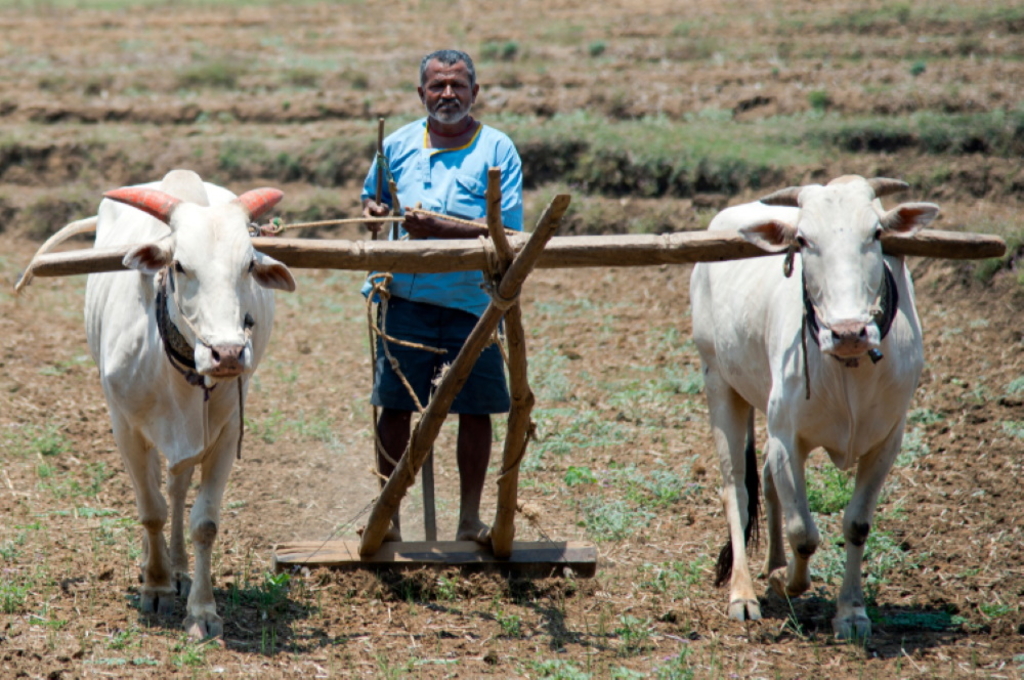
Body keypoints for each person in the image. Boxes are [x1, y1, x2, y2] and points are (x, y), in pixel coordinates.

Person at [360, 49, 524, 545]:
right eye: (437, 86)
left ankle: (469, 519)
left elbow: (509, 234)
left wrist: (439, 228)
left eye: (457, 85)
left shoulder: (498, 149)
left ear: (475, 92)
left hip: (473, 306)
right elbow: (374, 201)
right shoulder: (397, 144)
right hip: (403, 300)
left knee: (475, 411)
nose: (447, 95)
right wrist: (373, 210)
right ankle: (388, 515)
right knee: (395, 408)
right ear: (421, 94)